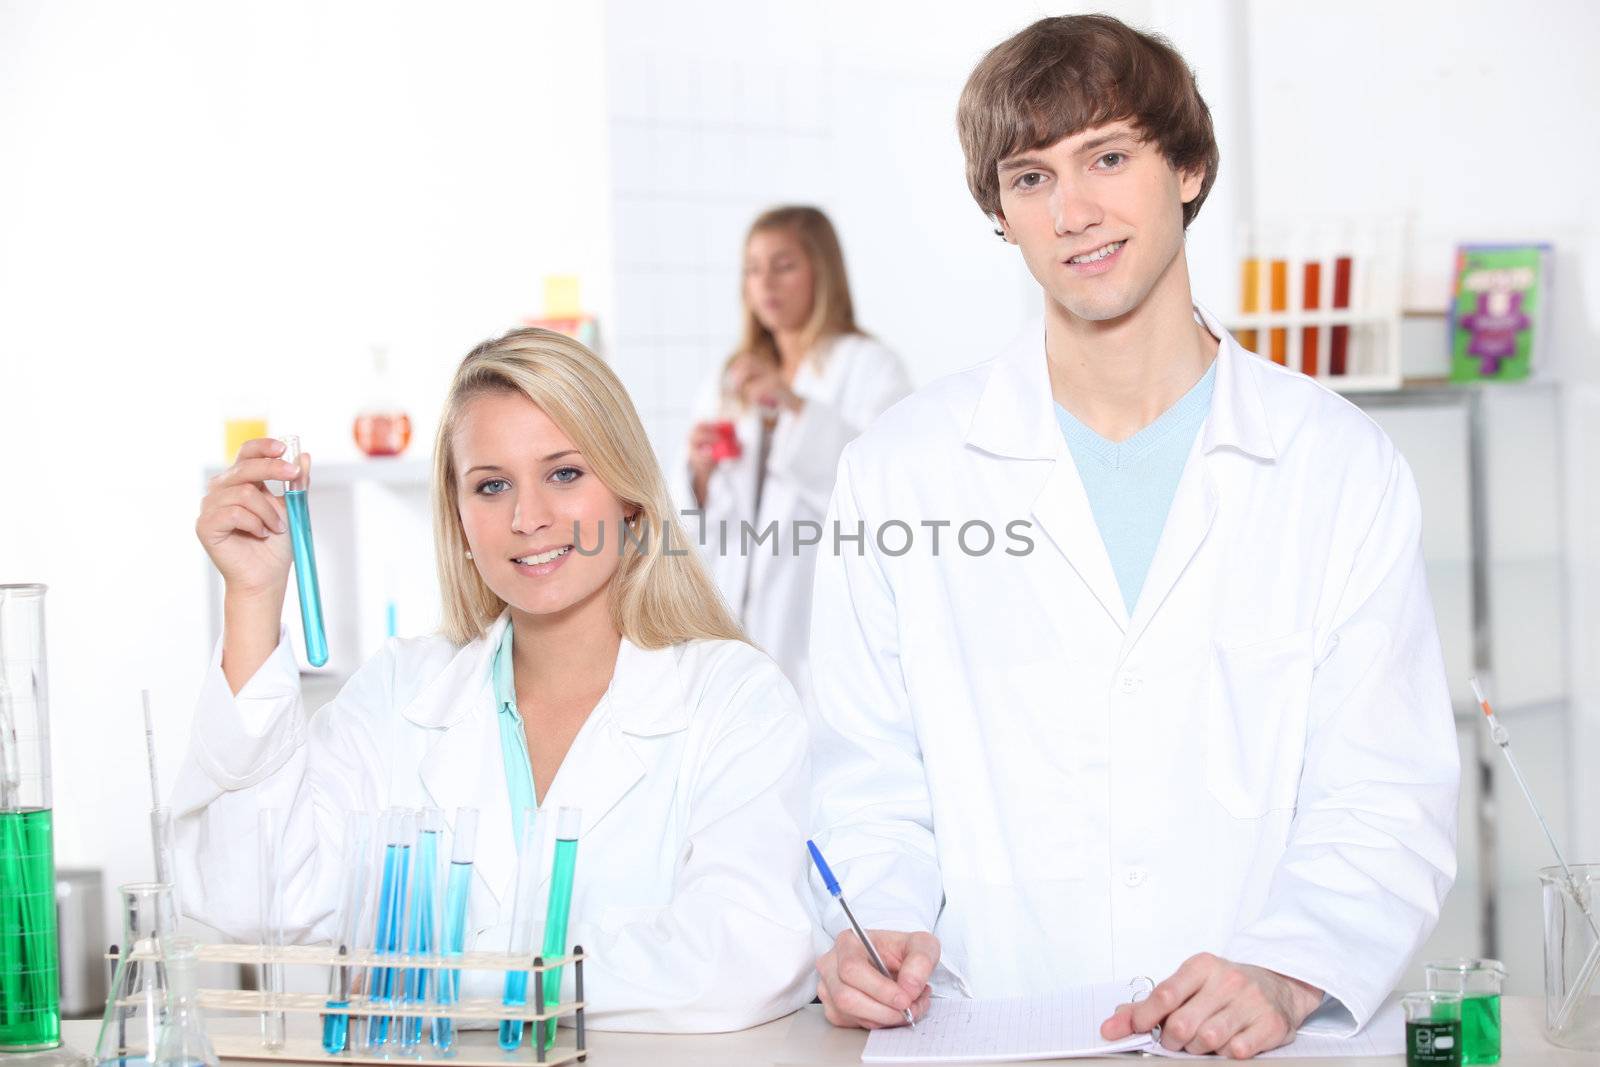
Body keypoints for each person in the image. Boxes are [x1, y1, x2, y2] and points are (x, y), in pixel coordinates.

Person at [805, 15, 1458, 1059]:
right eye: (1029, 177)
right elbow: (865, 774)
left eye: (1107, 157)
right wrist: (875, 927)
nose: (1073, 211)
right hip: (990, 1025)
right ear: (1001, 214)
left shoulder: (1335, 465)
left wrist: (1289, 969)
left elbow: (1383, 791)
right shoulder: (900, 468)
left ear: (1188, 165)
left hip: (1262, 1042)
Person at [173, 328, 816, 1032]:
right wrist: (253, 599)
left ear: (629, 497)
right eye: (491, 485)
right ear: (458, 517)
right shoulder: (401, 692)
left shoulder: (735, 698)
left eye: (565, 473)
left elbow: (742, 957)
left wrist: (445, 979)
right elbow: (255, 897)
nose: (527, 517)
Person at [678, 206, 911, 700]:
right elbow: (702, 516)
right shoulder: (731, 376)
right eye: (753, 269)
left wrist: (793, 405)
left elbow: (883, 488)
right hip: (734, 614)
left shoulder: (869, 368)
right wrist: (698, 472)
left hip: (812, 612)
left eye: (783, 266)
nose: (766, 283)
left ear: (821, 273)